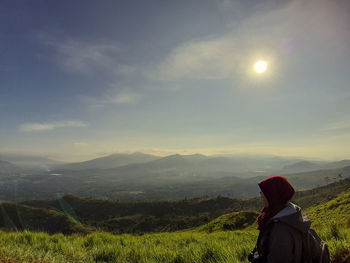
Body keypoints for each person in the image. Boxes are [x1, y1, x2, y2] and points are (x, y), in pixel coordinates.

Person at [248, 175, 311, 263]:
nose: (261, 195)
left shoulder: (281, 230)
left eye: (264, 192)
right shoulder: (290, 213)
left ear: (274, 196)